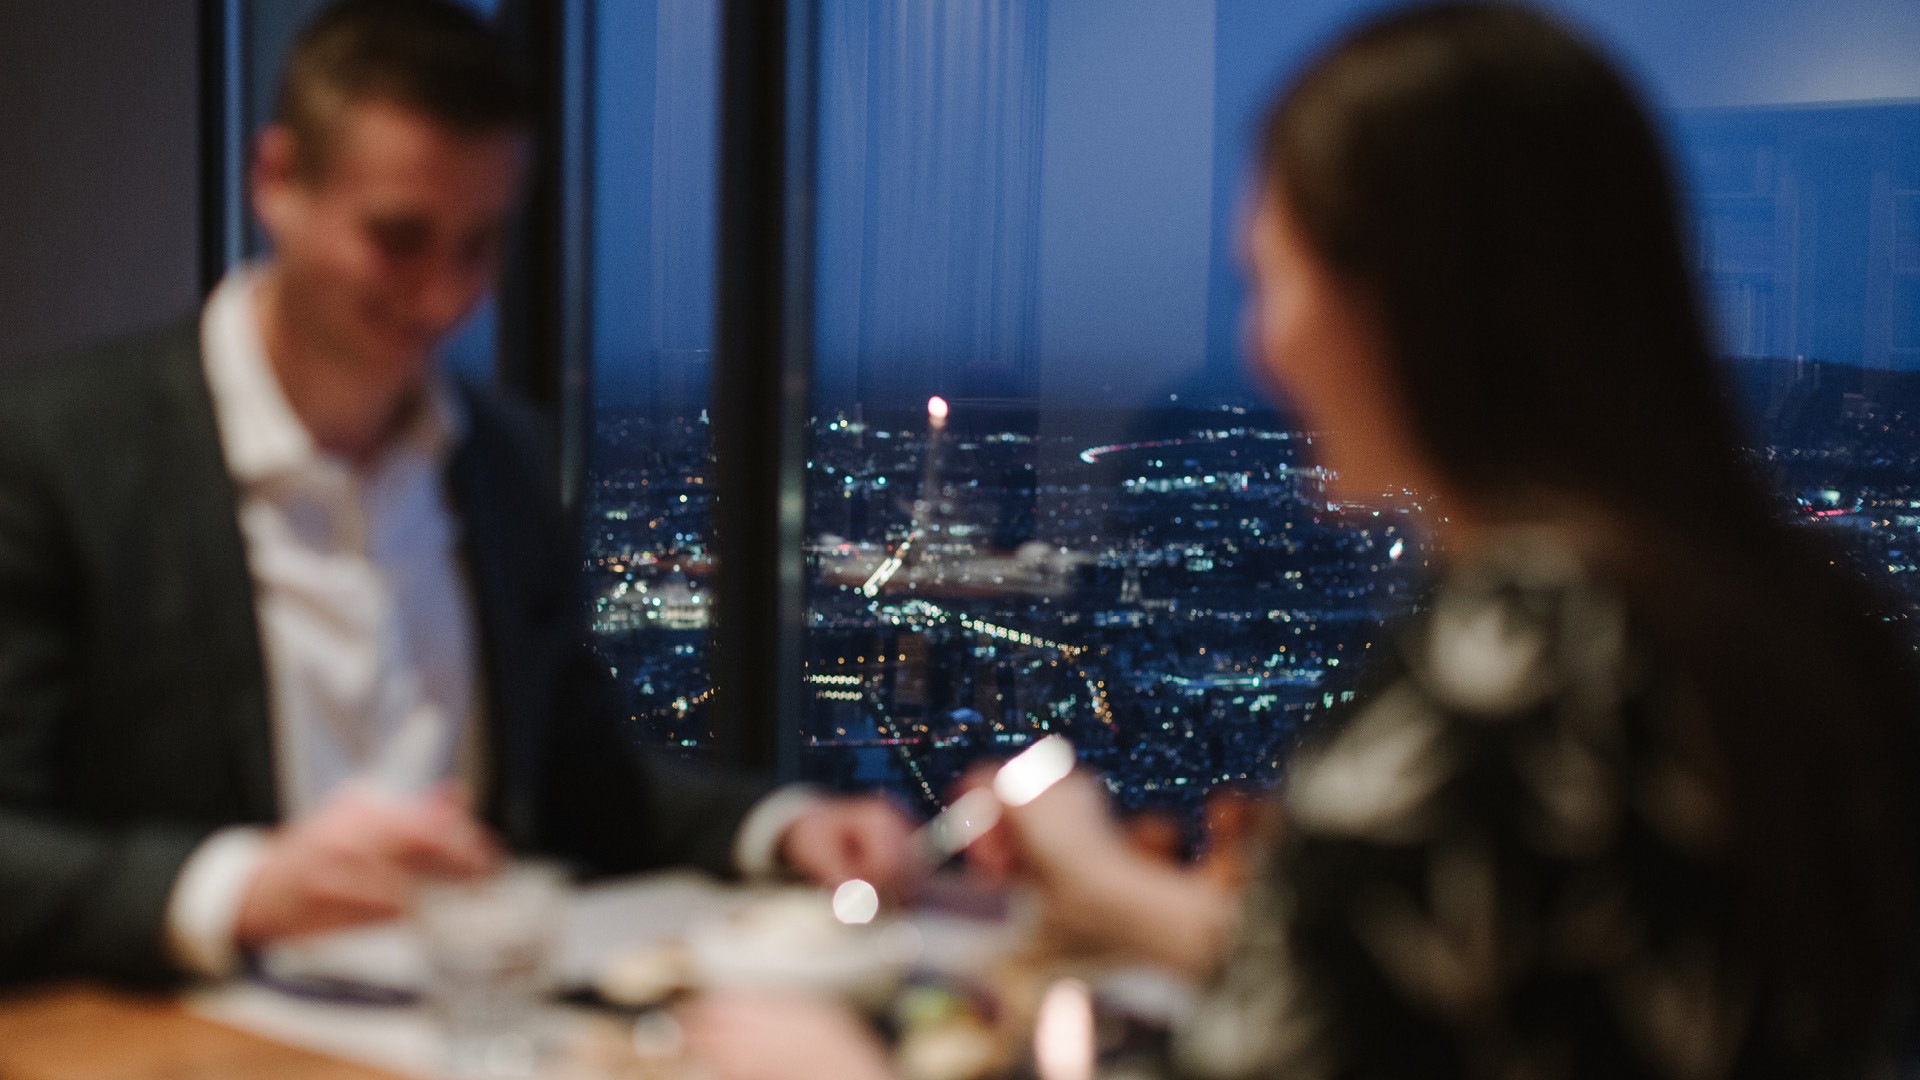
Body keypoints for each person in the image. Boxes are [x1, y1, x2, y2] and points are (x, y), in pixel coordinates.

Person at [680, 5, 1918, 1079]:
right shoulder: (1786, 609)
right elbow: (1415, 987)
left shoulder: (1518, 655)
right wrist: (1101, 880)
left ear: (1409, 301)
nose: (1265, 350)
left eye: (1275, 282)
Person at [0, 0, 912, 988]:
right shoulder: (56, 452)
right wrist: (236, 889)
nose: (442, 296)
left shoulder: (503, 458)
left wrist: (783, 828)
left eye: (477, 246)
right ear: (276, 181)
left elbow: (581, 785)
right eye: (399, 237)